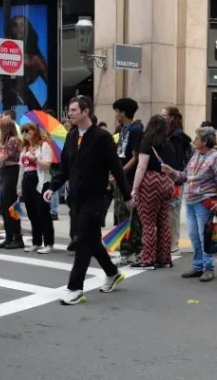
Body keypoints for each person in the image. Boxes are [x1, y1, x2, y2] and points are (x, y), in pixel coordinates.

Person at [43, 96, 130, 306]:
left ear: (86, 111)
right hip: (76, 198)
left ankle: (75, 288)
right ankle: (112, 272)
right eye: (69, 110)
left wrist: (127, 196)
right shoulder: (72, 136)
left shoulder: (102, 137)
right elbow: (65, 168)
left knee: (82, 240)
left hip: (96, 197)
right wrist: (52, 187)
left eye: (73, 110)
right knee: (90, 239)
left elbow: (116, 168)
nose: (70, 113)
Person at [163, 126, 217, 282]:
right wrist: (171, 171)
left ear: (204, 141)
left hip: (204, 201)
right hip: (191, 201)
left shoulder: (216, 157)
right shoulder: (196, 154)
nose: (194, 140)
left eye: (197, 138)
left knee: (205, 236)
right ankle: (198, 267)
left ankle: (208, 268)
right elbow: (185, 176)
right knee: (194, 236)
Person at [129, 115, 177, 270]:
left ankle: (148, 258)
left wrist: (135, 188)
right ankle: (164, 258)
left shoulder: (147, 142)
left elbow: (141, 166)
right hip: (166, 182)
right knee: (163, 222)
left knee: (148, 222)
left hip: (150, 182)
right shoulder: (169, 144)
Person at [112, 98, 143, 265]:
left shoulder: (136, 130)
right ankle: (127, 248)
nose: (116, 114)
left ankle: (130, 250)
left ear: (123, 112)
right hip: (121, 177)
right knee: (121, 214)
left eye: (117, 111)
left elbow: (136, 156)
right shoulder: (124, 129)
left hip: (129, 179)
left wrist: (120, 172)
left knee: (128, 215)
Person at [17, 122, 55, 253]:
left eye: (29, 130)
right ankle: (36, 241)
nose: (26, 133)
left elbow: (47, 165)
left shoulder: (43, 145)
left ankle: (48, 243)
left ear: (35, 131)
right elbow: (21, 169)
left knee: (43, 212)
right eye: (24, 131)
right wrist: (19, 185)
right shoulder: (25, 148)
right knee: (32, 212)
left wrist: (35, 160)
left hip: (40, 180)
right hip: (27, 180)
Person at [162, 106, 192, 254]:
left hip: (175, 180)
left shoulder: (176, 137)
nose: (162, 118)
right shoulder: (171, 135)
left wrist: (173, 177)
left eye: (164, 115)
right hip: (172, 179)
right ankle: (169, 243)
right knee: (168, 212)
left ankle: (173, 244)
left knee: (172, 213)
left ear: (172, 118)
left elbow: (176, 160)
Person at [0, 120, 24, 249]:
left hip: (12, 172)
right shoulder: (7, 141)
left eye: (1, 128)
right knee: (4, 205)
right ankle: (9, 237)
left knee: (11, 206)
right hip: (5, 172)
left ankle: (17, 237)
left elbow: (0, 158)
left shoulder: (13, 140)